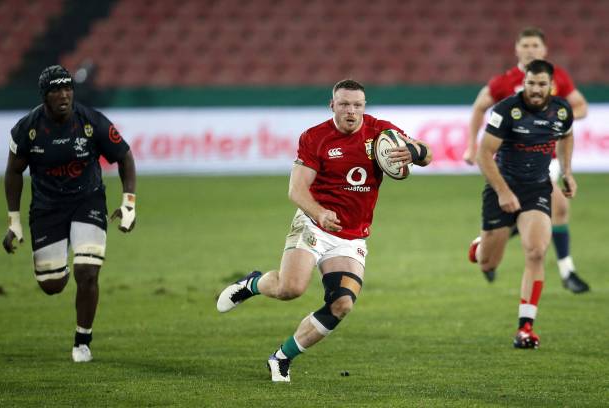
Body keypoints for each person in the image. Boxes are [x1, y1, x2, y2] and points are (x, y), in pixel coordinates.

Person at [216, 79, 432, 382]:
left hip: (352, 233)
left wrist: (414, 151)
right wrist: (319, 212)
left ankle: (281, 357)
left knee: (342, 304)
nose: (351, 111)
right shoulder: (315, 137)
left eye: (358, 105)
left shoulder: (380, 131)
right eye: (344, 104)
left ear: (364, 106)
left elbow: (427, 153)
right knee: (290, 290)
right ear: (332, 105)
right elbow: (296, 190)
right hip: (313, 223)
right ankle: (252, 284)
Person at [2, 65, 137, 362]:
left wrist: (129, 203)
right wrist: (14, 222)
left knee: (87, 272)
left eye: (67, 89)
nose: (64, 95)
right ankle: (58, 259)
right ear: (44, 96)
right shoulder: (27, 129)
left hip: (87, 201)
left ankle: (82, 342)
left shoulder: (91, 121)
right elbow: (13, 172)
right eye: (56, 90)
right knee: (52, 285)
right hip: (46, 209)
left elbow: (124, 156)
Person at [463, 27, 589, 293]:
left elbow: (581, 107)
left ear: (544, 50)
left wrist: (553, 120)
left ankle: (567, 271)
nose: (531, 50)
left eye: (535, 45)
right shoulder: (504, 82)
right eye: (526, 45)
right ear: (517, 49)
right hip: (514, 165)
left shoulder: (557, 77)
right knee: (543, 209)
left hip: (547, 159)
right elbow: (478, 107)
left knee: (557, 208)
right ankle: (487, 246)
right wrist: (471, 146)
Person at [469, 60, 576, 348]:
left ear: (550, 85)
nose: (536, 89)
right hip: (500, 187)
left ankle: (525, 328)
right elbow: (483, 155)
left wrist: (566, 171)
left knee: (537, 251)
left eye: (542, 84)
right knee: (488, 262)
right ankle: (480, 246)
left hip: (536, 189)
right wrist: (504, 192)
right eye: (531, 83)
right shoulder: (506, 110)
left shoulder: (562, 110)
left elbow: (566, 136)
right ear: (524, 83)